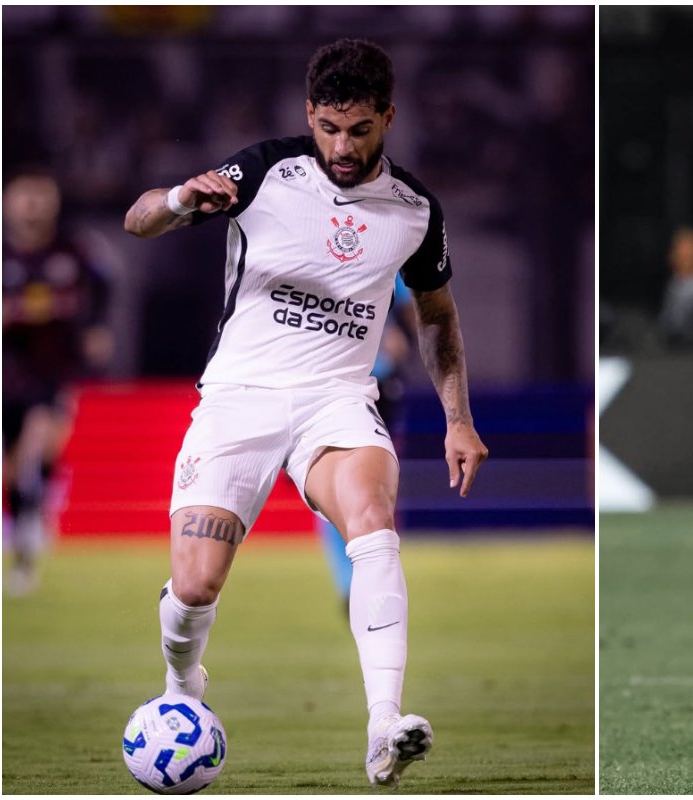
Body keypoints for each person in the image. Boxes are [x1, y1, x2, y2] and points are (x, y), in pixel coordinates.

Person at [123, 39, 489, 789]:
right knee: (193, 588)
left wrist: (459, 417)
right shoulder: (263, 170)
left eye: (359, 129)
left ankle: (384, 724)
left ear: (388, 116)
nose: (342, 146)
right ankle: (182, 684)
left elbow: (438, 317)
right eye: (328, 127)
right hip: (240, 399)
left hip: (337, 402)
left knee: (373, 524)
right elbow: (138, 220)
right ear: (308, 117)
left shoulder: (415, 210)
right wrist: (183, 201)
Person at [3, 167, 113, 595]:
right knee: (12, 469)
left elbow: (104, 287)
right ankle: (25, 527)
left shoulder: (73, 251)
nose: (31, 205)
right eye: (23, 195)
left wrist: (97, 329)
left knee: (40, 441)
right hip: (6, 372)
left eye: (39, 195)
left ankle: (34, 522)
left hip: (51, 371)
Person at [320, 276, 418, 614]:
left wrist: (400, 337)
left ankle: (370, 576)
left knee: (376, 486)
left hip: (378, 381)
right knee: (332, 489)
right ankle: (352, 583)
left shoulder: (391, 253)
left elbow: (411, 312)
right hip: (327, 382)